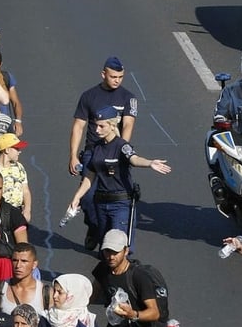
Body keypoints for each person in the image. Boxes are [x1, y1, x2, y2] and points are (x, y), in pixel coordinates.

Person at [66, 106, 170, 251]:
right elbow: (90, 176)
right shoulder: (96, 148)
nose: (97, 130)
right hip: (101, 202)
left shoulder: (121, 146)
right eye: (96, 125)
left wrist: (150, 163)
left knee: (118, 244)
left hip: (120, 203)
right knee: (105, 245)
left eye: (101, 126)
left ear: (112, 125)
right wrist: (77, 197)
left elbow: (134, 159)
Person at [68, 57, 138, 251]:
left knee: (117, 197)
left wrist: (122, 149)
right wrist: (73, 155)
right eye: (113, 76)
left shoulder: (128, 97)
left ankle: (113, 243)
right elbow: (78, 126)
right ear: (103, 74)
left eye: (121, 77)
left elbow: (129, 123)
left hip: (116, 154)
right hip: (92, 154)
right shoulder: (89, 96)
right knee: (88, 198)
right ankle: (95, 228)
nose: (117, 80)